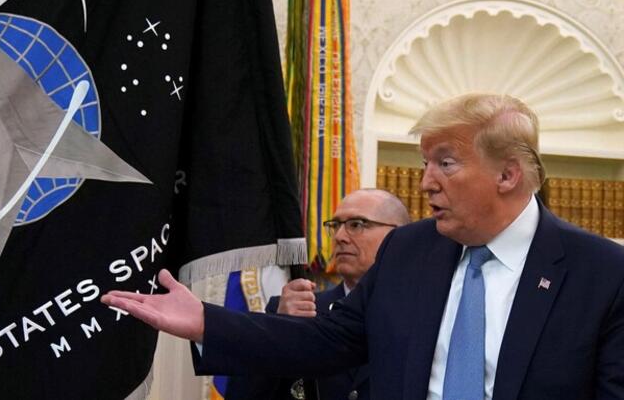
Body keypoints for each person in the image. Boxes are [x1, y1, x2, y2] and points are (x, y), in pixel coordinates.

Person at [103, 94, 624, 399]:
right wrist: (207, 322)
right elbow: (325, 340)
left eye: (445, 163)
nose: (426, 182)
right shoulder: (408, 251)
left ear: (507, 175)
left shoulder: (602, 274)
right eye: (424, 164)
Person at [227, 189, 411, 400]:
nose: (340, 237)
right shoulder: (297, 311)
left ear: (399, 236)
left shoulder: (424, 314)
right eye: (335, 225)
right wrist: (278, 328)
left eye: (356, 225)